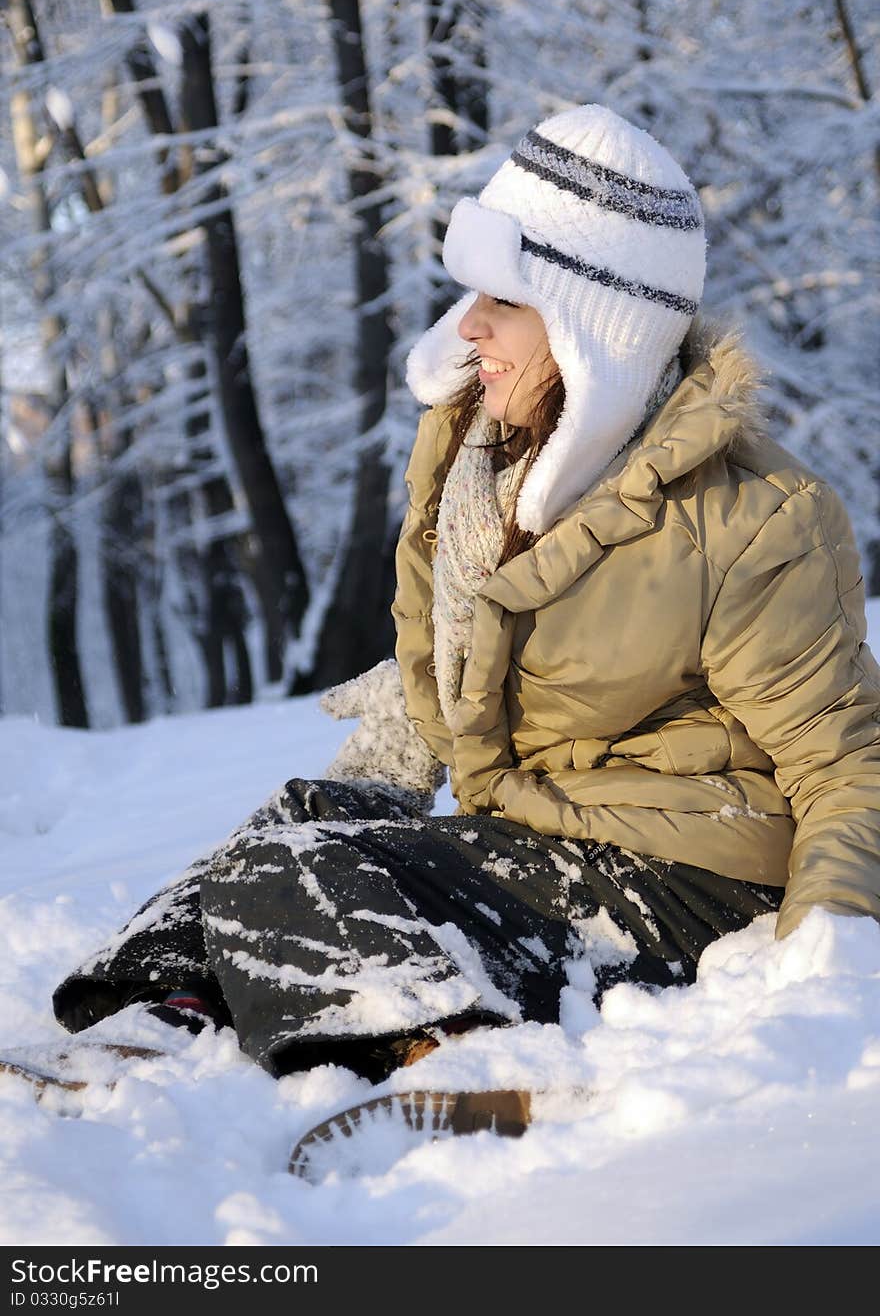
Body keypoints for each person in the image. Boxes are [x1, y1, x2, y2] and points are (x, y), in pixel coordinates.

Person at [52, 104, 880, 1086]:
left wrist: (828, 969)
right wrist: (383, 759)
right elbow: (471, 671)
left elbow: (845, 767)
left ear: (593, 325)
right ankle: (162, 1015)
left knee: (291, 869)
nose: (468, 325)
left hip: (688, 889)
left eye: (506, 301)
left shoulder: (754, 513)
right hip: (546, 844)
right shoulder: (479, 466)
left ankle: (458, 1062)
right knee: (303, 814)